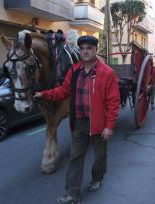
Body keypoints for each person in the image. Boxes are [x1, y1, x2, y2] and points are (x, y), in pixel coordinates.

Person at [34, 35, 120, 204]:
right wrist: (44, 94)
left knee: (99, 156)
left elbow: (113, 102)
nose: (86, 51)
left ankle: (97, 177)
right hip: (79, 123)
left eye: (89, 48)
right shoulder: (74, 71)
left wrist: (109, 126)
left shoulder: (107, 73)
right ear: (79, 51)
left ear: (95, 50)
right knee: (75, 158)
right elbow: (62, 91)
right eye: (83, 48)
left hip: (99, 123)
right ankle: (72, 194)